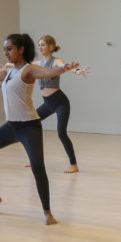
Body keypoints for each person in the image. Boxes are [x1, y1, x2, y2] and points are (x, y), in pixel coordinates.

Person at [0, 33, 79, 225]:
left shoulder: (29, 70)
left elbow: (47, 73)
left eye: (9, 48)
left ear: (21, 49)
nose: (6, 52)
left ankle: (47, 212)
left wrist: (63, 69)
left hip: (29, 127)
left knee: (37, 167)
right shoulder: (9, 71)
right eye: (4, 49)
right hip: (11, 126)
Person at [32, 35, 89, 173]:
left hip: (60, 102)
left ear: (50, 47)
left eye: (43, 45)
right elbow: (24, 65)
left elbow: (65, 67)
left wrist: (76, 70)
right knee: (31, 124)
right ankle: (35, 160)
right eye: (39, 45)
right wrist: (9, 64)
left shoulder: (56, 61)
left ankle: (74, 165)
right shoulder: (39, 63)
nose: (40, 47)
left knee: (61, 133)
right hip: (48, 103)